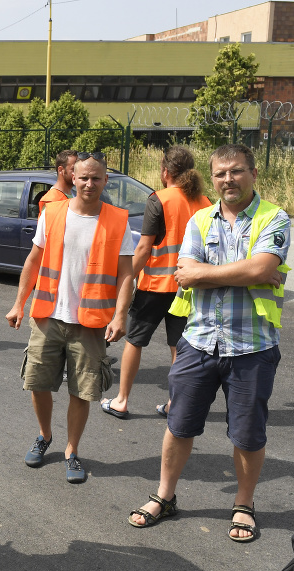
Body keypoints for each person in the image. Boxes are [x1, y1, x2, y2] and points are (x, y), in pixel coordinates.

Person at [128, 144, 290, 543]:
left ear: (253, 173)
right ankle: (165, 497)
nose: (227, 180)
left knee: (248, 435)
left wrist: (211, 271)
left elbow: (264, 267)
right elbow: (184, 274)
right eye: (220, 174)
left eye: (236, 172)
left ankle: (244, 504)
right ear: (212, 177)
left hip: (251, 347)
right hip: (198, 344)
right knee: (179, 427)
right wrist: (243, 273)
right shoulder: (200, 219)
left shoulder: (275, 217)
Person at [6, 152, 135, 483]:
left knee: (82, 390)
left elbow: (126, 275)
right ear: (71, 178)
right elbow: (34, 261)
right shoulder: (52, 212)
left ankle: (71, 451)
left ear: (106, 180)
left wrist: (120, 316)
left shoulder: (119, 220)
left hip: (90, 323)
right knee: (37, 382)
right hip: (48, 315)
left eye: (96, 178)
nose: (89, 183)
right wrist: (19, 303)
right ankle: (44, 435)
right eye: (83, 177)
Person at [100, 146, 212, 419]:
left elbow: (143, 249)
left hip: (155, 287)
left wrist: (123, 282)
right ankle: (176, 404)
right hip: (188, 289)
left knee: (135, 342)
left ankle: (122, 400)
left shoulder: (159, 200)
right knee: (179, 347)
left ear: (165, 172)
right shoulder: (206, 202)